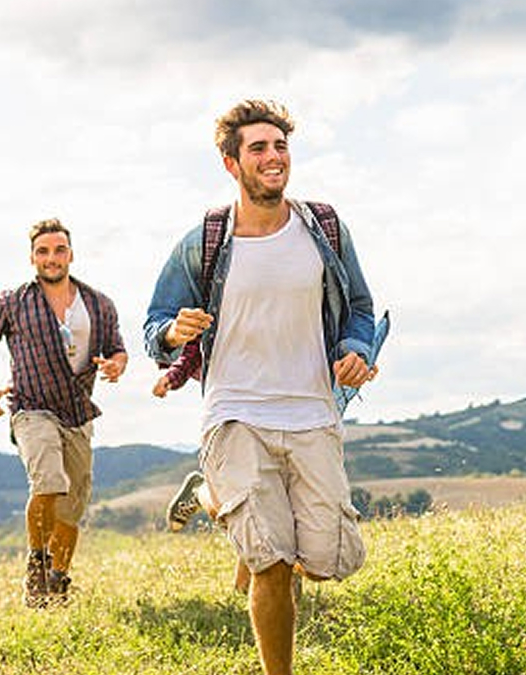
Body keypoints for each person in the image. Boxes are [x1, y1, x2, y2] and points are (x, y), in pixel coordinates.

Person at [144, 100, 378, 675]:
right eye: (259, 148)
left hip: (313, 413)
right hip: (235, 415)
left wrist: (356, 350)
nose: (273, 157)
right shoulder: (203, 240)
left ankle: (207, 494)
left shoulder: (323, 228)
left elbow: (362, 309)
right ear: (231, 163)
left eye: (280, 146)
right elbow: (154, 324)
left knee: (326, 561)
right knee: (271, 562)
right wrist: (173, 332)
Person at [0, 218, 128, 608]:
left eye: (59, 250)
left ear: (70, 254)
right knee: (49, 483)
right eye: (43, 251)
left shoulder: (98, 303)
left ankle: (58, 582)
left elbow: (119, 349)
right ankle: (36, 569)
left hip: (77, 412)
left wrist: (116, 365)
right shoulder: (14, 301)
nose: (51, 258)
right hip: (31, 408)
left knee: (72, 507)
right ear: (32, 258)